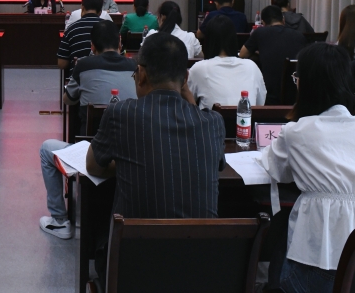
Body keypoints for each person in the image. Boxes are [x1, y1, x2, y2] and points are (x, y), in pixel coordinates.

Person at [260, 43, 355, 293]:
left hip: (318, 265)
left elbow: (276, 169)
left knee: (280, 233)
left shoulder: (298, 131)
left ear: (304, 85)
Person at [87, 32, 225, 219]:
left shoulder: (121, 113)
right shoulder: (213, 122)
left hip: (135, 238)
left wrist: (126, 163)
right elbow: (216, 164)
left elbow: (93, 166)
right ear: (185, 79)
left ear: (142, 75)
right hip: (200, 238)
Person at [39, 21, 137, 239]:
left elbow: (68, 99)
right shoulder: (135, 67)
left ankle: (60, 221)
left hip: (91, 156)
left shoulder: (83, 65)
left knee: (46, 149)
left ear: (92, 46)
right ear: (120, 43)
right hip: (129, 154)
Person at [188, 16, 266, 110]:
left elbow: (187, 103)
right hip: (246, 119)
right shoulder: (251, 66)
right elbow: (260, 103)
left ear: (208, 41)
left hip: (211, 119)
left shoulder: (199, 68)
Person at [240, 5, 308, 105]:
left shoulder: (260, 32)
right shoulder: (299, 35)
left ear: (263, 23)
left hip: (270, 97)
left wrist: (260, 52)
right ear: (283, 20)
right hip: (296, 96)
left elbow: (242, 54)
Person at [57, 0, 104, 70]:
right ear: (100, 12)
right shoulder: (110, 28)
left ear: (82, 7)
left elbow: (61, 63)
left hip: (78, 77)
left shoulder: (71, 29)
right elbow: (120, 56)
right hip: (105, 77)